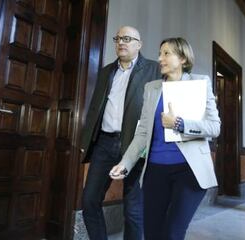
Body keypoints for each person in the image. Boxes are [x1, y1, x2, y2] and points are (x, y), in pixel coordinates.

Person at [110, 37, 221, 240]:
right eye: (160, 53)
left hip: (189, 170)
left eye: (166, 53)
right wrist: (125, 162)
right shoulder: (151, 88)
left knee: (172, 233)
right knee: (152, 233)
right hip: (155, 170)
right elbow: (143, 131)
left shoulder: (200, 82)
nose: (160, 58)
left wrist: (179, 124)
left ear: (183, 58)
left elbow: (214, 127)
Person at [79, 26, 161, 240]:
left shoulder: (154, 70)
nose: (121, 42)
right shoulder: (106, 71)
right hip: (104, 144)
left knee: (133, 209)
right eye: (118, 39)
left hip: (135, 144)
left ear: (139, 44)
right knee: (89, 201)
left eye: (127, 38)